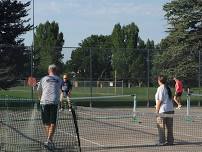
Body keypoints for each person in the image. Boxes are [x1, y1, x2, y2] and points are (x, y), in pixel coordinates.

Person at [37, 64, 62, 150]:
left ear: (48, 71)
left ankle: (49, 140)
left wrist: (40, 99)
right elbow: (61, 90)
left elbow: (39, 91)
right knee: (53, 122)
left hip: (44, 102)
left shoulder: (43, 79)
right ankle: (49, 140)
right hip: (54, 102)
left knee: (46, 123)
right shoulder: (59, 79)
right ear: (55, 70)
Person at [155, 75, 174, 146]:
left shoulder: (160, 88)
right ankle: (170, 141)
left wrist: (157, 111)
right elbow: (170, 99)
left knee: (161, 127)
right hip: (170, 109)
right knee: (169, 127)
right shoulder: (168, 88)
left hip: (163, 110)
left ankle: (162, 142)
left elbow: (159, 100)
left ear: (159, 81)